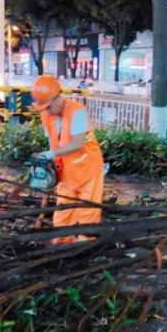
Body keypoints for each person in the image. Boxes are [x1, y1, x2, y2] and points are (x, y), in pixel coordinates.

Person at [31, 74, 104, 244]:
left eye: (48, 107)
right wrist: (49, 159)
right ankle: (62, 241)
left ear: (57, 98)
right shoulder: (46, 115)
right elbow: (52, 140)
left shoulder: (77, 111)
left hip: (88, 167)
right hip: (65, 168)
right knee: (64, 208)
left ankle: (84, 244)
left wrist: (52, 154)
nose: (46, 111)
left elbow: (77, 143)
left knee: (88, 209)